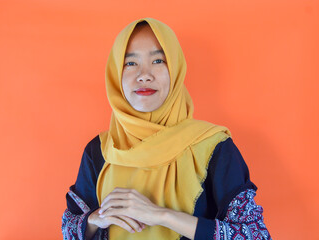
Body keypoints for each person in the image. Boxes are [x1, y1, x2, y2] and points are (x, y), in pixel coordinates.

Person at [62, 18, 271, 240]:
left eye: (158, 60)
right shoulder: (100, 150)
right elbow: (70, 228)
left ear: (176, 69)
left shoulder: (212, 146)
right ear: (115, 75)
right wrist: (95, 219)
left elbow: (254, 235)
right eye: (130, 63)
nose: (144, 75)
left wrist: (162, 216)